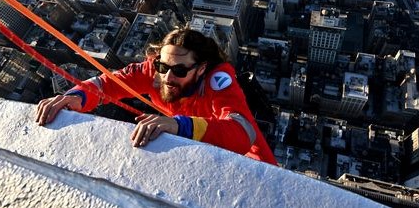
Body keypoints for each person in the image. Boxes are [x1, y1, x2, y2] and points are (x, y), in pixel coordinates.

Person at [36, 27, 278, 165]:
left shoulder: (218, 82)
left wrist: (179, 126)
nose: (168, 77)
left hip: (252, 163)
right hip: (198, 152)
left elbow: (243, 133)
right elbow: (107, 83)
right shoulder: (153, 71)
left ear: (201, 69)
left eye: (180, 70)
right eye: (164, 66)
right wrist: (76, 97)